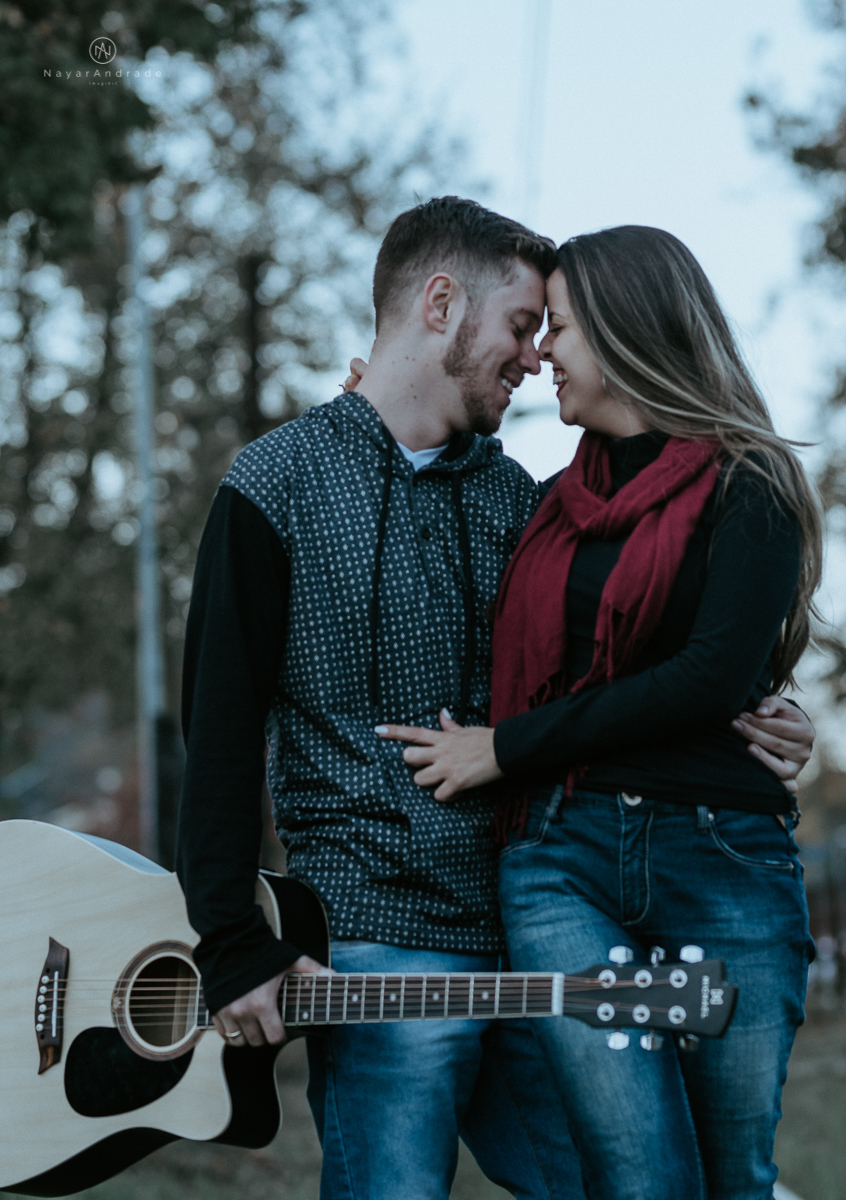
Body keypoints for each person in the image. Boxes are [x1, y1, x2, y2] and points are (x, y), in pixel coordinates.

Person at [178, 202, 814, 1200]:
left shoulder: (530, 501)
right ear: (442, 305)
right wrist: (229, 940)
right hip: (373, 944)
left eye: (547, 330)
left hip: (535, 926)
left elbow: (642, 656)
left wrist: (759, 713)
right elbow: (216, 732)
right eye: (523, 326)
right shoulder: (278, 484)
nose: (534, 354)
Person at [375, 225, 820, 1200]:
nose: (541, 357)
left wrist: (508, 748)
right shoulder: (541, 507)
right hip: (559, 868)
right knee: (636, 1176)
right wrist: (363, 424)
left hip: (723, 862)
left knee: (735, 1177)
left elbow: (710, 678)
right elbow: (412, 511)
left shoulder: (751, 486)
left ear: (626, 334)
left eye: (560, 330)